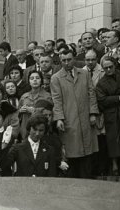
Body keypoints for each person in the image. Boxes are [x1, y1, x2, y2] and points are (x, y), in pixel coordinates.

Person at [51, 49, 100, 179]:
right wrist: (59, 118)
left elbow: (91, 94)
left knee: (87, 151)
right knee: (72, 151)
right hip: (69, 118)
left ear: (74, 59)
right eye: (63, 60)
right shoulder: (56, 78)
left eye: (69, 59)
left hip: (85, 117)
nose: (67, 63)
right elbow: (57, 100)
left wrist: (93, 113)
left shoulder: (84, 74)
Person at [96, 57, 120, 176]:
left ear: (114, 65)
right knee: (113, 141)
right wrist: (118, 98)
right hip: (111, 115)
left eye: (110, 67)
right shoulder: (101, 83)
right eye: (105, 68)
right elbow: (101, 99)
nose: (108, 70)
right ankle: (114, 164)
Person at [18, 70, 52, 139]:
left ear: (41, 80)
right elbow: (17, 115)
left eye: (37, 78)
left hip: (41, 132)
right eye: (32, 78)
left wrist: (34, 110)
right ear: (29, 82)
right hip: (25, 132)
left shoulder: (47, 96)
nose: (35, 80)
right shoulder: (24, 96)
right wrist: (20, 111)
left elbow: (50, 115)